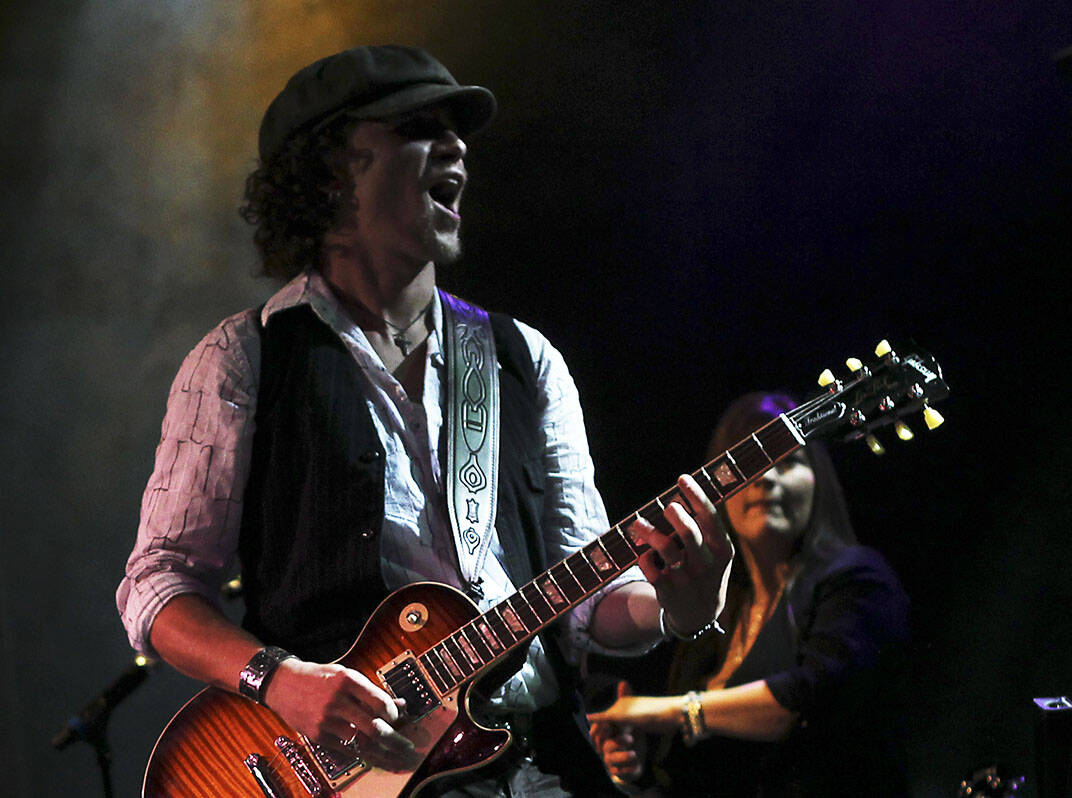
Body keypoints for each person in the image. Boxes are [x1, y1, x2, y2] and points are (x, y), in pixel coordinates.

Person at [116, 44, 732, 796]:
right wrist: (277, 681)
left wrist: (680, 605)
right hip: (351, 773)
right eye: (417, 127)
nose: (457, 146)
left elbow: (593, 607)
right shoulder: (245, 359)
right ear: (329, 174)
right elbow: (159, 585)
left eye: (457, 130)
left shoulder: (522, 361)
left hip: (539, 762)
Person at [588, 392, 911, 797]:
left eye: (788, 461)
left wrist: (664, 712)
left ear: (819, 481)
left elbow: (805, 701)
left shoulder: (858, 578)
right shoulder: (717, 610)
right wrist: (635, 767)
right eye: (748, 466)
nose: (766, 477)